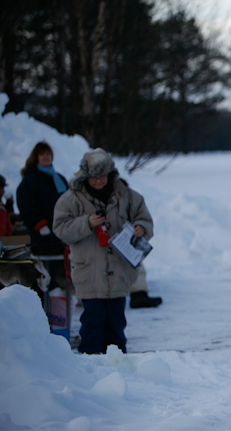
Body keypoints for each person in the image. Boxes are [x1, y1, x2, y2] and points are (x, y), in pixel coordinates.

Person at [53, 149, 154, 354]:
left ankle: (118, 365)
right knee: (92, 325)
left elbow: (144, 217)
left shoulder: (127, 195)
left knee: (116, 326)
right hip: (90, 272)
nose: (99, 181)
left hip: (119, 272)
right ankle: (92, 365)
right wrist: (86, 223)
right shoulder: (71, 198)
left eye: (102, 176)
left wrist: (142, 228)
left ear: (110, 174)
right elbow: (60, 228)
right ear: (85, 176)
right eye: (94, 177)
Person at [16, 142, 69, 288]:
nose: (46, 156)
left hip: (59, 234)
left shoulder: (59, 179)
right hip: (40, 236)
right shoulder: (30, 179)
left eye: (48, 153)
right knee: (40, 275)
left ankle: (53, 299)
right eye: (42, 154)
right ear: (36, 157)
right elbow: (26, 205)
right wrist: (39, 224)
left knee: (56, 274)